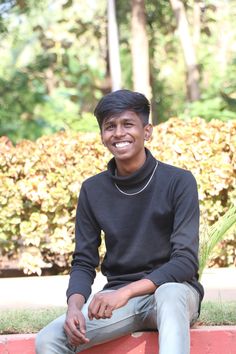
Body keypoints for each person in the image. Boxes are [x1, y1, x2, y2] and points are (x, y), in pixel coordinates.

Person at [36, 89, 204, 354]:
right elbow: (83, 261)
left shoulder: (179, 182)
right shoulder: (92, 190)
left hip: (173, 297)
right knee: (48, 340)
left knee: (170, 293)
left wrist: (124, 293)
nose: (118, 133)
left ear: (147, 131)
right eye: (109, 126)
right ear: (102, 136)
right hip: (119, 303)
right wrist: (74, 308)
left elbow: (184, 262)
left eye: (128, 124)